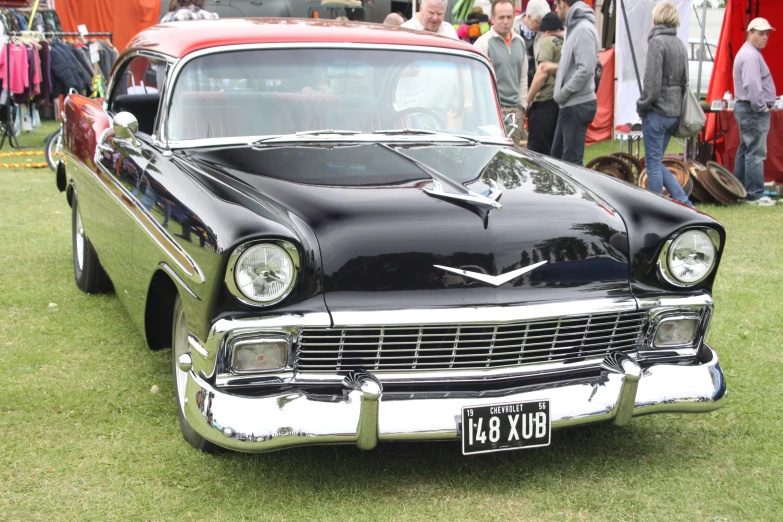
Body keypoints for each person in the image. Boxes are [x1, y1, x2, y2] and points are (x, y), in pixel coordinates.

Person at [636, 2, 692, 206]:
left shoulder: (657, 43)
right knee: (656, 162)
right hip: (674, 112)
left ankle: (656, 207)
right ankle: (684, 201)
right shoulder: (679, 44)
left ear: (657, 18)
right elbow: (685, 81)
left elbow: (651, 83)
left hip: (657, 111)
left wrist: (642, 105)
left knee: (652, 163)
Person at [733, 17, 777, 206]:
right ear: (750, 33)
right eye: (760, 33)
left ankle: (740, 189)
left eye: (767, 33)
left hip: (746, 108)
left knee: (746, 150)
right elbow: (752, 84)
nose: (765, 37)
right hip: (753, 110)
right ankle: (754, 194)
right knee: (755, 152)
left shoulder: (748, 53)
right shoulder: (751, 55)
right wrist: (761, 107)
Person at [550, 0, 599, 166]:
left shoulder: (583, 29)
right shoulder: (576, 27)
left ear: (563, 3)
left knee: (571, 164)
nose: (556, 10)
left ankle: (574, 193)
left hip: (576, 103)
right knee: (557, 160)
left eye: (556, 6)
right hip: (570, 104)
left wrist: (564, 92)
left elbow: (585, 69)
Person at [474, 0, 527, 145]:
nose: (506, 22)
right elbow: (475, 81)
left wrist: (522, 105)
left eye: (509, 17)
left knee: (513, 152)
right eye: (501, 17)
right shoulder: (482, 44)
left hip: (515, 109)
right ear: (492, 18)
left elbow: (523, 76)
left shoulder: (520, 42)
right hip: (492, 109)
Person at [525, 12, 564, 155]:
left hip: (545, 103)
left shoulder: (548, 41)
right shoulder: (568, 41)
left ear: (546, 31)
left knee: (538, 153)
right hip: (562, 103)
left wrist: (527, 101)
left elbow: (542, 72)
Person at [512, 0, 551, 90]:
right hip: (516, 88)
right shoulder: (511, 27)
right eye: (538, 22)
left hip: (538, 89)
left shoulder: (546, 31)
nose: (542, 26)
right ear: (529, 16)